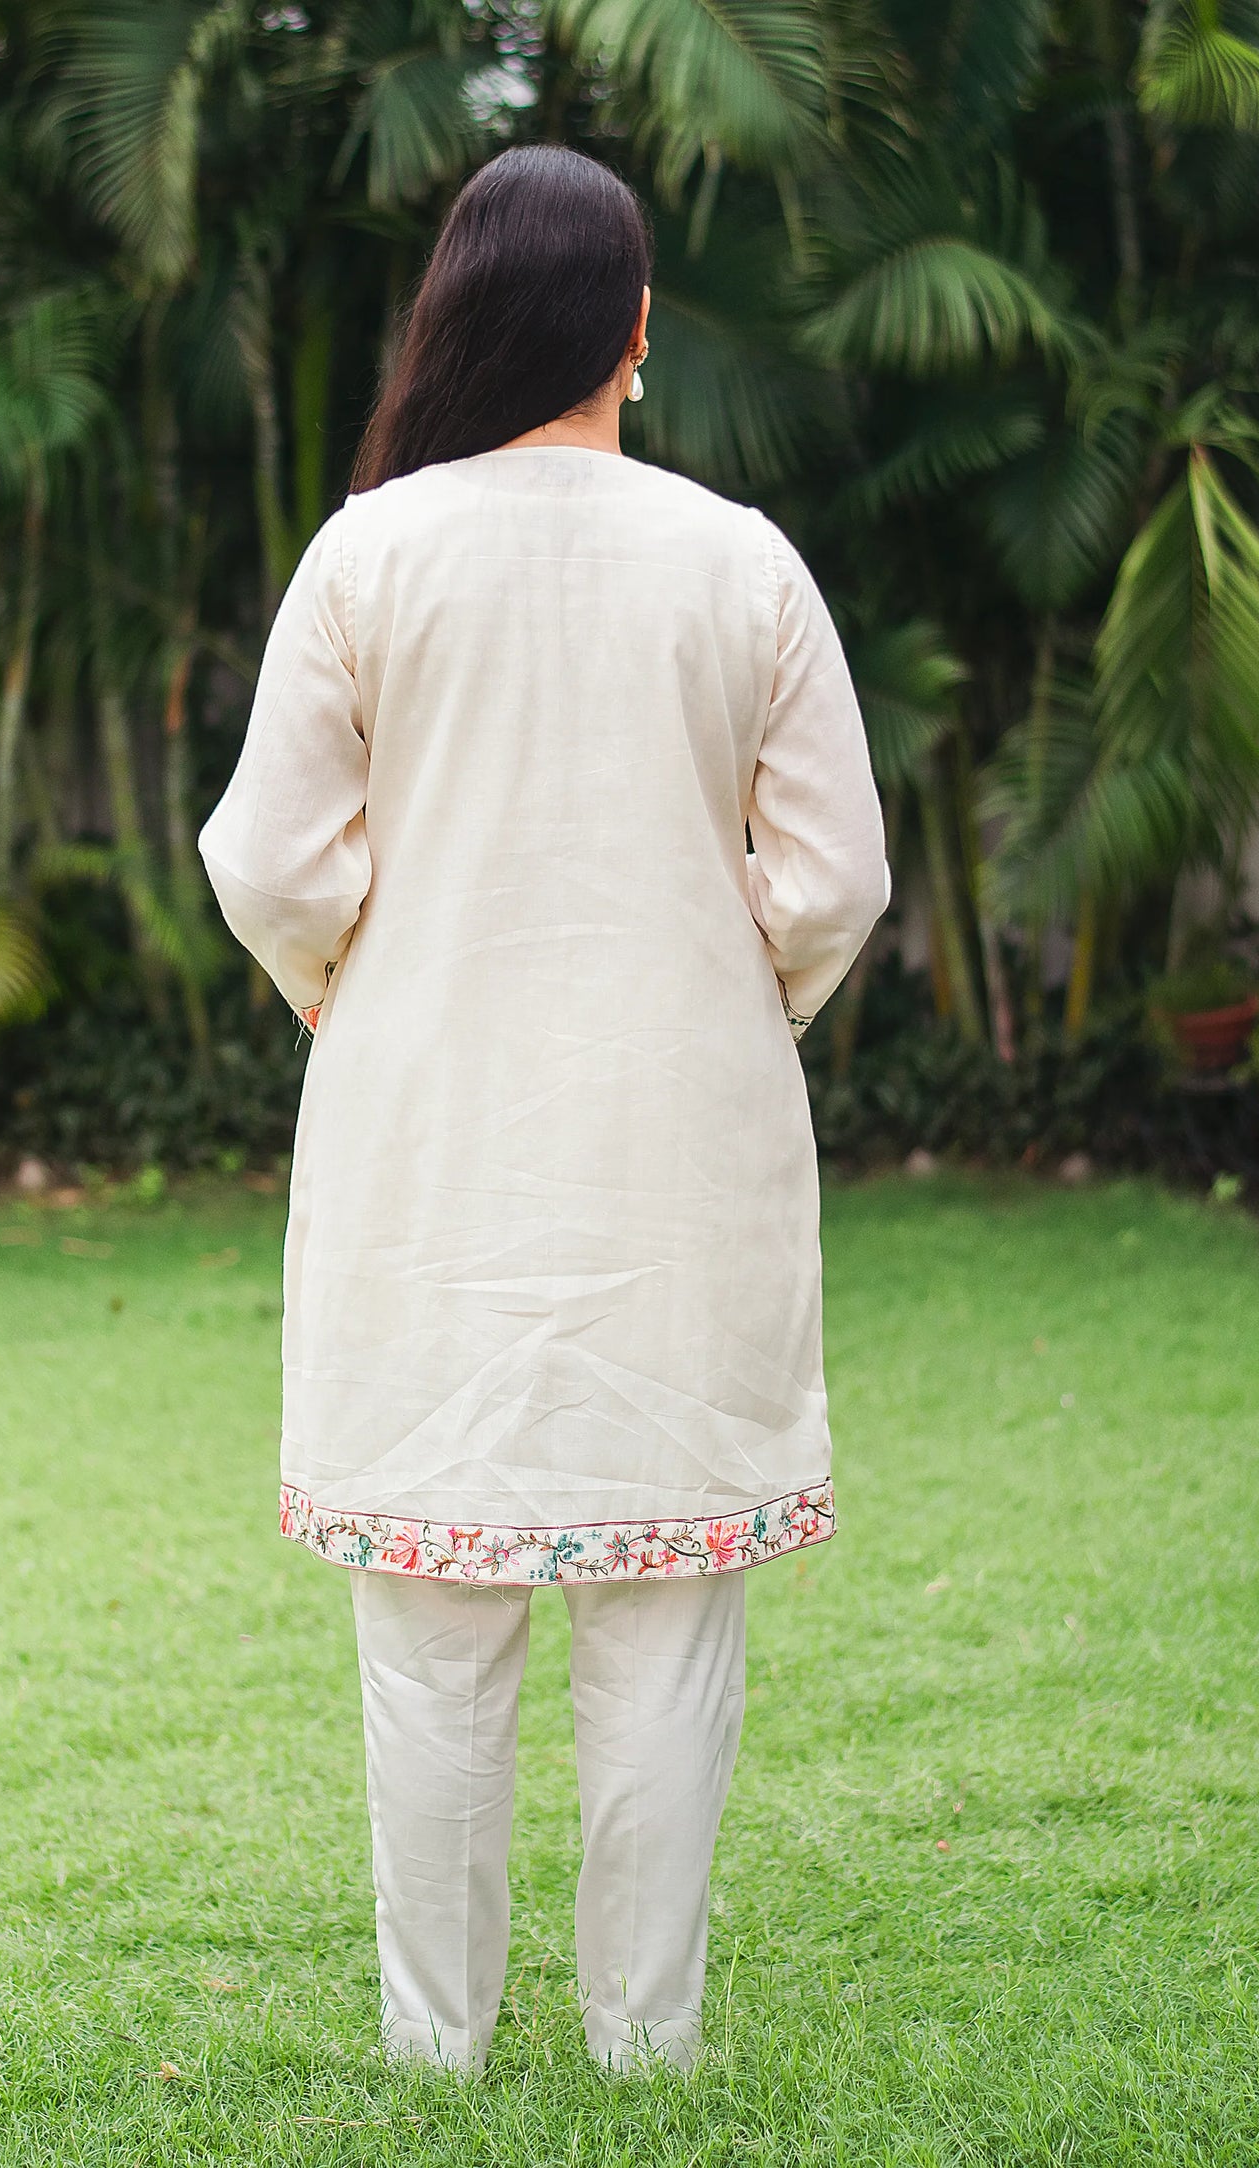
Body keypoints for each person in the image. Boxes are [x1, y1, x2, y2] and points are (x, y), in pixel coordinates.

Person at [198, 142, 889, 2078]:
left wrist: (359, 980)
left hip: (427, 1137)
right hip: (685, 1141)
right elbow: (835, 877)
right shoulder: (738, 554)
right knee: (669, 1614)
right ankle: (644, 2047)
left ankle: (438, 2047)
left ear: (457, 320)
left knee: (431, 1623)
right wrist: (720, 978)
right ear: (638, 332)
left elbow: (267, 858)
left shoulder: (371, 551)